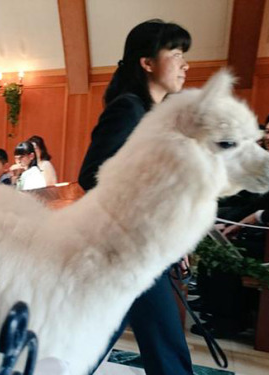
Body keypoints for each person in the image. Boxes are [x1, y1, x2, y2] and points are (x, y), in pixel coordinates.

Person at [78, 20, 193, 375]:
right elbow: (92, 175)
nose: (185, 64)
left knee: (95, 341)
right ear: (147, 62)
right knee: (166, 344)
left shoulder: (153, 116)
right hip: (128, 249)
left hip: (140, 249)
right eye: (175, 55)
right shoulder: (129, 108)